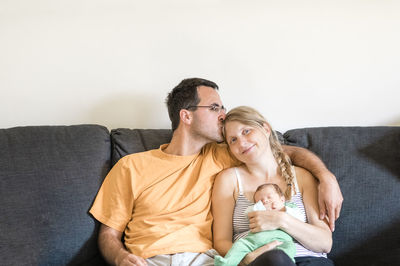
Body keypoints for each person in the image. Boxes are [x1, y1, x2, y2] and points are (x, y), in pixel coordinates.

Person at [90, 78, 342, 266]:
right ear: (186, 116)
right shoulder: (131, 166)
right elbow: (109, 234)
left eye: (223, 108)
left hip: (206, 261)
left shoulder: (225, 153)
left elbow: (284, 152)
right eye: (214, 108)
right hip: (149, 259)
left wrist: (326, 176)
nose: (223, 115)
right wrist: (122, 257)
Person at [212, 106, 335, 266]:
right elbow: (221, 241)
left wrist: (281, 220)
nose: (242, 143)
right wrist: (245, 259)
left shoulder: (302, 177)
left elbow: (325, 243)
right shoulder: (228, 180)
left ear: (266, 128)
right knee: (275, 259)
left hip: (309, 260)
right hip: (260, 260)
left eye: (246, 131)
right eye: (233, 140)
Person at [214, 183, 303, 266]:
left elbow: (299, 219)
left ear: (282, 199)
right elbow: (248, 214)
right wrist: (260, 207)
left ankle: (289, 261)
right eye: (260, 200)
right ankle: (226, 262)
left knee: (290, 248)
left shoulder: (290, 208)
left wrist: (282, 211)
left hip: (281, 240)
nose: (265, 201)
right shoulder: (258, 209)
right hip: (255, 239)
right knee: (239, 245)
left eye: (269, 197)